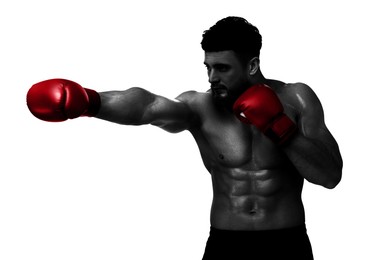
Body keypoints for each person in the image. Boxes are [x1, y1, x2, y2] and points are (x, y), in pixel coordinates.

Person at [26, 16, 343, 260]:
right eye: (207, 67)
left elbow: (329, 176)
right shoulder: (200, 106)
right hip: (226, 243)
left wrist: (278, 126)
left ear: (252, 65)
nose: (211, 78)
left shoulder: (297, 98)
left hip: (287, 243)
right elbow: (148, 106)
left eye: (222, 68)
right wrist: (89, 102)